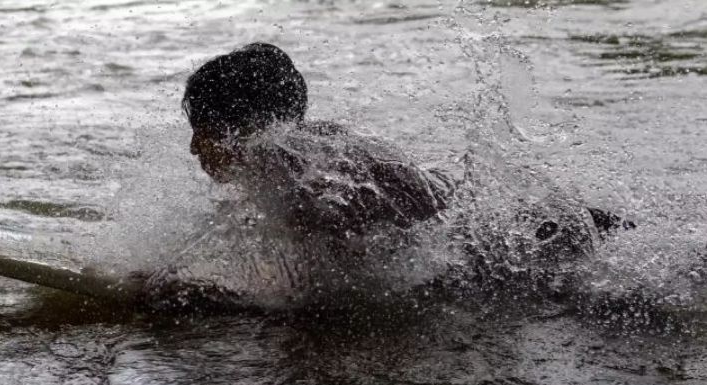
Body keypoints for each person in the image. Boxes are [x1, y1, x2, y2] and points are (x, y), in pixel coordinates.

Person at [182, 42, 633, 253]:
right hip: (491, 217)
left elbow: (340, 288)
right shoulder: (305, 156)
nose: (193, 148)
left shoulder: (303, 175)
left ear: (238, 132)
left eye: (201, 130)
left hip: (506, 238)